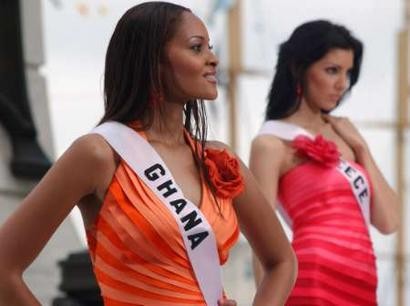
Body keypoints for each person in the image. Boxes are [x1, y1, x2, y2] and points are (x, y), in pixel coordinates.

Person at [0, 2, 297, 306]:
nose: (213, 59)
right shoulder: (98, 154)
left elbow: (282, 261)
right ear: (151, 62)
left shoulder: (219, 160)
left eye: (209, 47)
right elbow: (4, 268)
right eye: (196, 48)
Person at [250, 20, 399, 305]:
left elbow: (389, 222)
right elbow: (262, 242)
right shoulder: (271, 144)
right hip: (312, 276)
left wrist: (362, 149)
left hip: (362, 277)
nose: (342, 84)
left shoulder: (347, 137)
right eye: (332, 70)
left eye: (348, 72)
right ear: (298, 69)